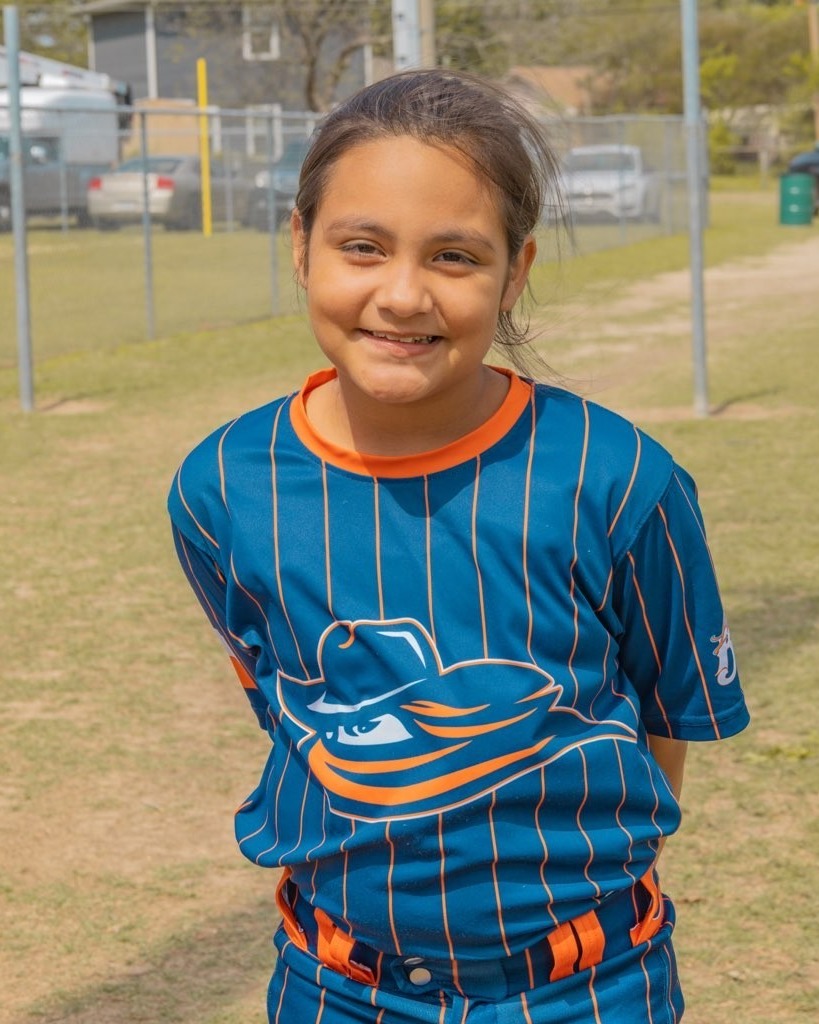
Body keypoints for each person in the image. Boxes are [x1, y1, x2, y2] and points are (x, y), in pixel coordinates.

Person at [168, 69, 749, 1024]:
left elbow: (663, 714)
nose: (402, 295)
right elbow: (284, 697)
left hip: (588, 987)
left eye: (453, 256)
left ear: (514, 272)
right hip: (335, 986)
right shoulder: (223, 486)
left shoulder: (614, 476)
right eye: (362, 247)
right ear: (301, 245)